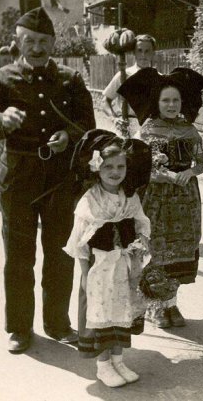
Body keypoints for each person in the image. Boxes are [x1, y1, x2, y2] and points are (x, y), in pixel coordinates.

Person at [0, 7, 95, 353]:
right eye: (30, 41)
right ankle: (20, 328)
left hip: (60, 180)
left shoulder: (70, 80)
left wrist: (68, 137)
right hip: (19, 179)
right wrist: (1, 119)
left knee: (60, 254)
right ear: (18, 41)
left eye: (43, 41)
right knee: (18, 256)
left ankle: (57, 323)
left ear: (53, 43)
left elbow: (88, 125)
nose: (37, 48)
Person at [118, 67, 203, 328]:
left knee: (181, 248)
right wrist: (169, 176)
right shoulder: (146, 132)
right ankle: (155, 306)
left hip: (186, 198)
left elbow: (202, 164)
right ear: (156, 103)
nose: (171, 105)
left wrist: (190, 172)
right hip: (156, 198)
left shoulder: (190, 131)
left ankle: (172, 303)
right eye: (166, 100)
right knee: (157, 248)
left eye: (176, 100)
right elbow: (142, 166)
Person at [63, 129, 151, 388]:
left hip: (122, 263)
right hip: (99, 266)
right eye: (109, 166)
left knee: (121, 308)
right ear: (96, 169)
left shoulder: (130, 196)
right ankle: (103, 364)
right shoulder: (90, 200)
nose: (115, 172)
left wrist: (141, 240)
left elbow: (141, 221)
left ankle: (118, 359)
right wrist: (83, 272)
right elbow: (78, 240)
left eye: (121, 166)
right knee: (102, 312)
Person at [103, 34, 157, 137]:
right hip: (126, 125)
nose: (143, 55)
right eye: (139, 50)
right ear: (134, 53)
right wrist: (114, 118)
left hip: (150, 128)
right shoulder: (124, 75)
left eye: (147, 51)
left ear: (153, 53)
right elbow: (105, 101)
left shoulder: (159, 78)